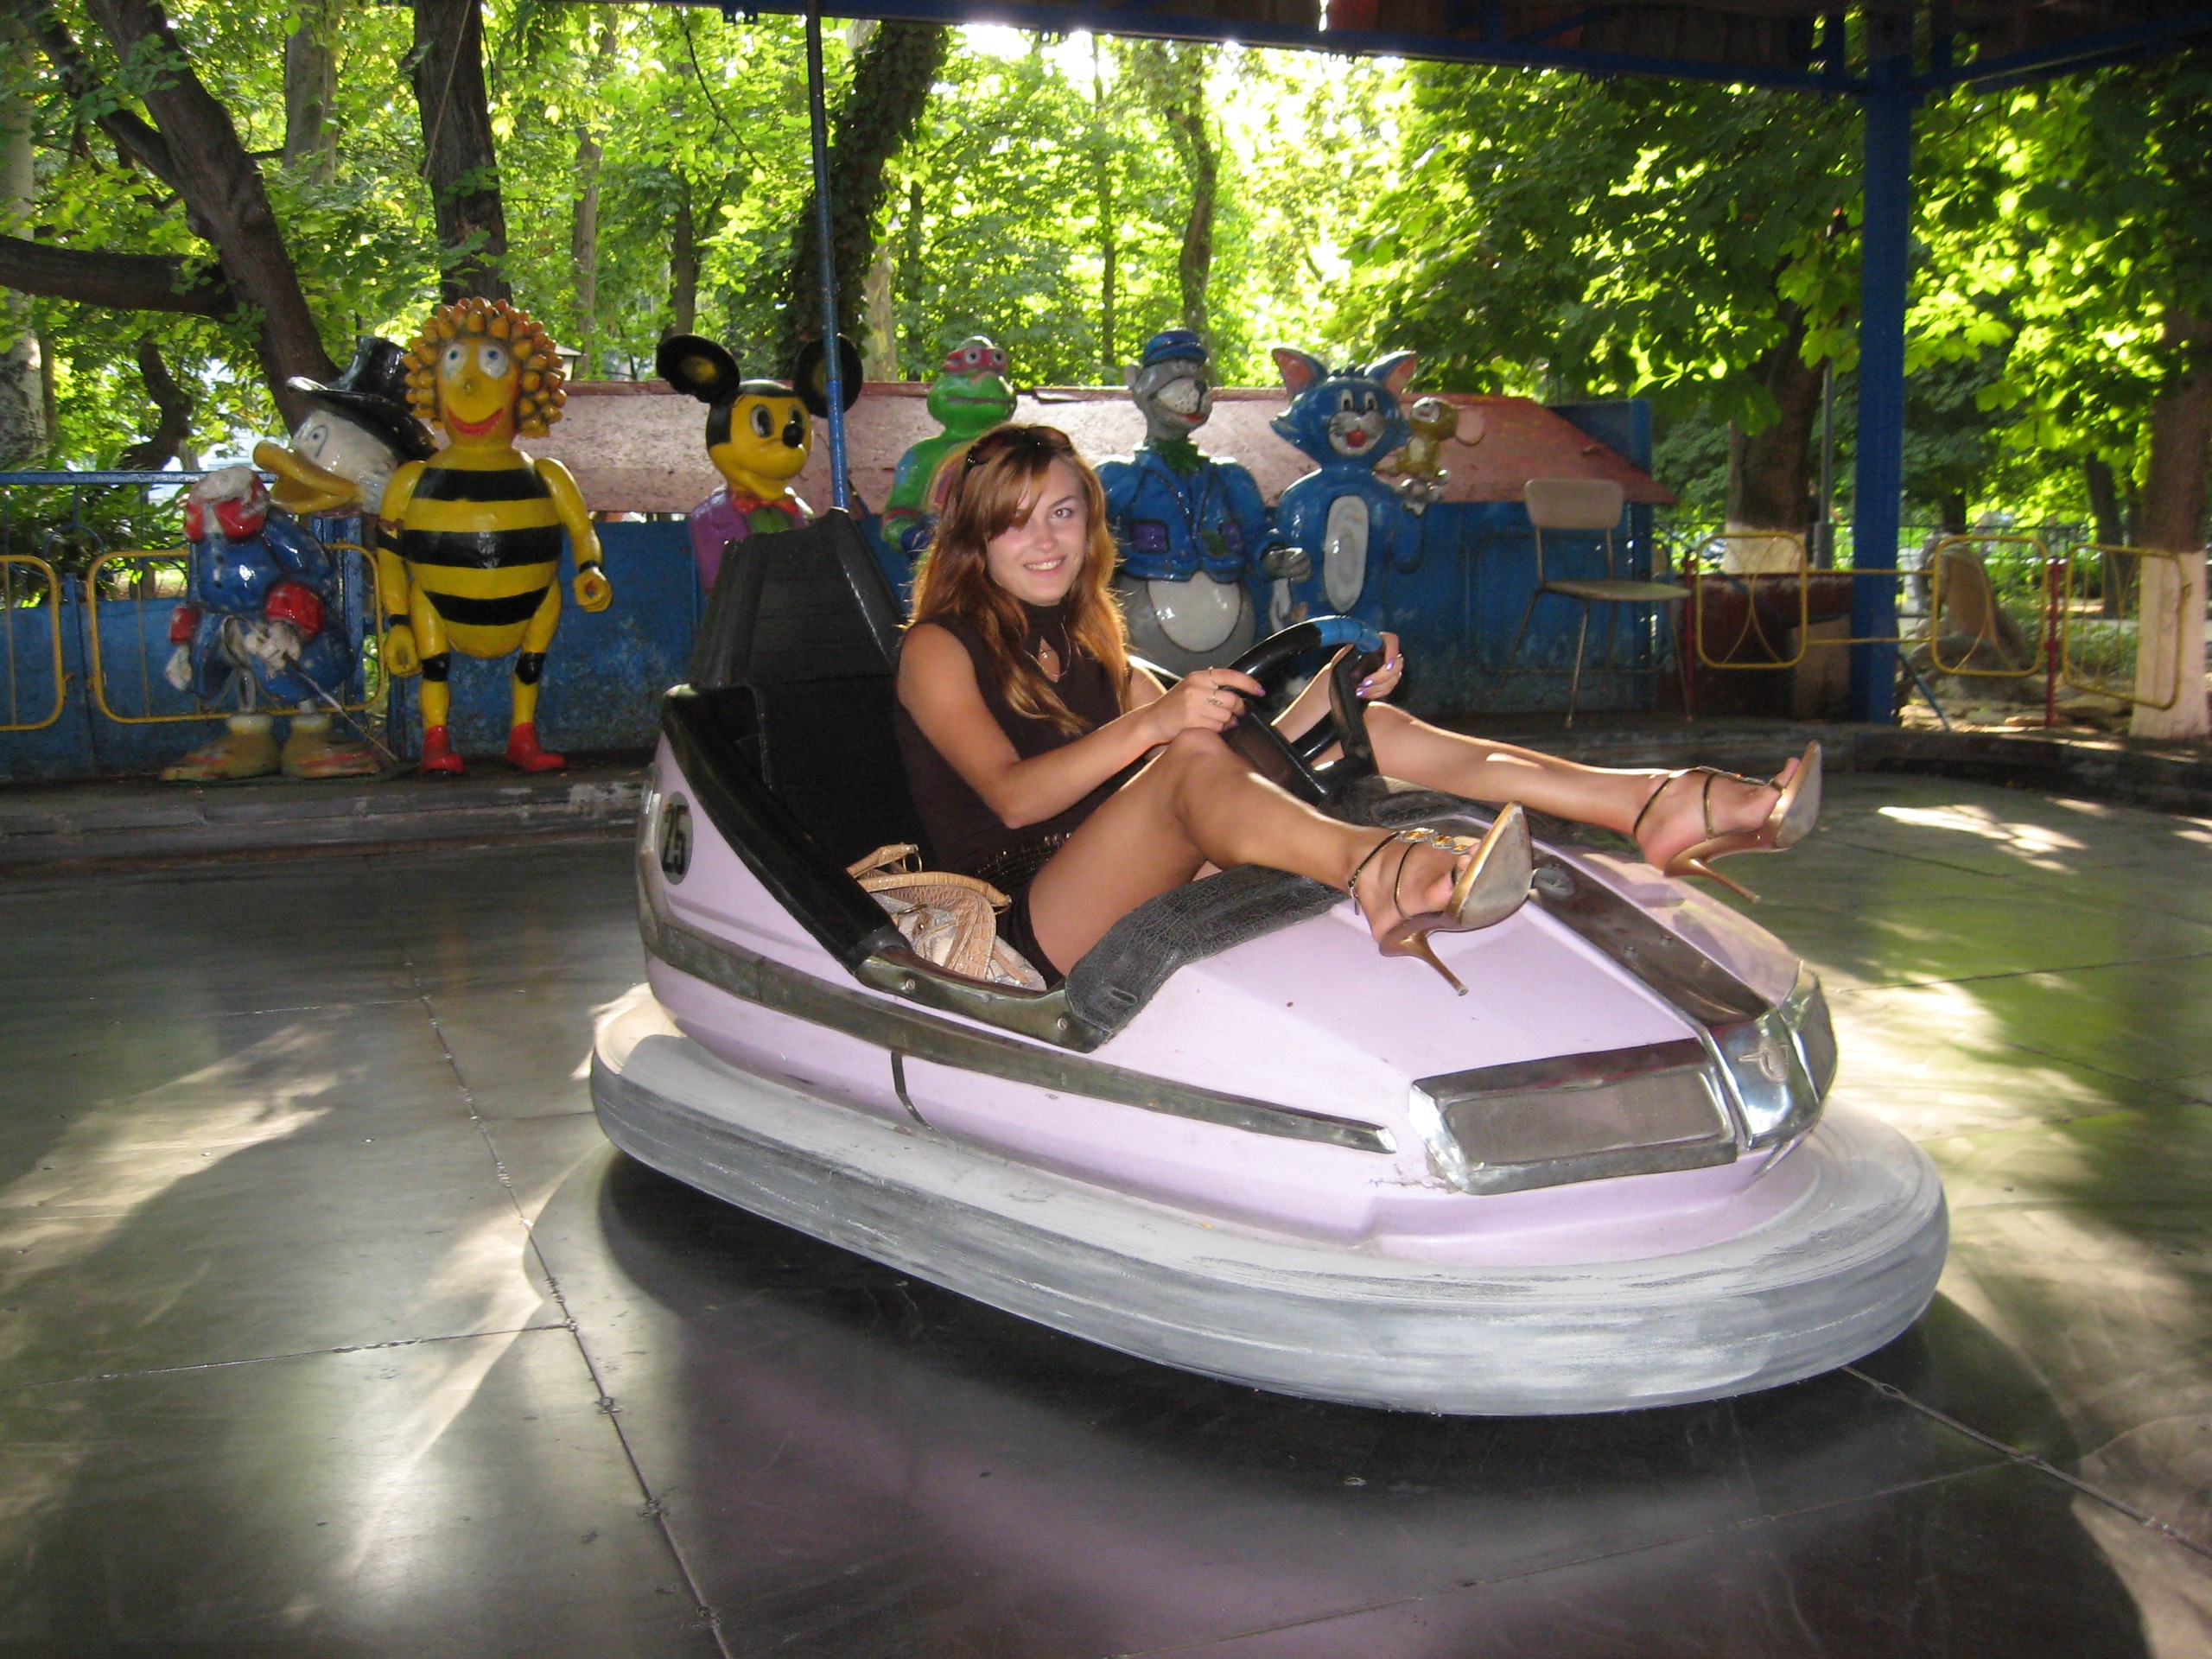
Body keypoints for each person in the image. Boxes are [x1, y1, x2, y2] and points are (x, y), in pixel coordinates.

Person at [893, 424, 1818, 993]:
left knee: (1367, 726)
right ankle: (1386, 873)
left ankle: (1650, 802)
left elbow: (1234, 749)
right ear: (975, 536)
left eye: (1063, 513)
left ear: (1091, 525)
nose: (1045, 540)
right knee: (1184, 760)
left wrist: (1331, 693)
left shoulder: (1097, 643)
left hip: (1120, 869)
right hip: (1019, 921)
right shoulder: (938, 647)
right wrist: (1155, 723)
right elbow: (1014, 797)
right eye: (1015, 520)